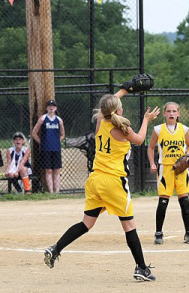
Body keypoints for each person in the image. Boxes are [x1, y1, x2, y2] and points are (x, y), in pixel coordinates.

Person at [43, 89, 161, 281]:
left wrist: (123, 89)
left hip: (95, 180)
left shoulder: (101, 123)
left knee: (86, 223)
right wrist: (147, 119)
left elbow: (106, 107)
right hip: (113, 182)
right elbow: (139, 140)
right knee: (129, 225)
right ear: (119, 111)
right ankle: (141, 268)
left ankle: (56, 248)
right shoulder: (122, 129)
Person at [147, 102, 189, 245]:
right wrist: (152, 163)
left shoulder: (184, 129)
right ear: (164, 114)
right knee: (163, 201)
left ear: (178, 114)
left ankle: (188, 233)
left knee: (184, 201)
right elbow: (150, 148)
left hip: (181, 170)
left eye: (174, 111)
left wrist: (188, 155)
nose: (171, 114)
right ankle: (158, 233)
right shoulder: (158, 129)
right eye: (168, 111)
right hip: (165, 168)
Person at [32, 99, 65, 193]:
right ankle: (51, 192)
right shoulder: (43, 119)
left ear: (56, 108)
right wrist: (42, 142)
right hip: (46, 148)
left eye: (53, 106)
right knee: (48, 170)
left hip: (56, 148)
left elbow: (62, 134)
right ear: (46, 108)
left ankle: (57, 192)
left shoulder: (59, 120)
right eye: (49, 106)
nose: (51, 107)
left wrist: (57, 142)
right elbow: (34, 133)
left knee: (57, 170)